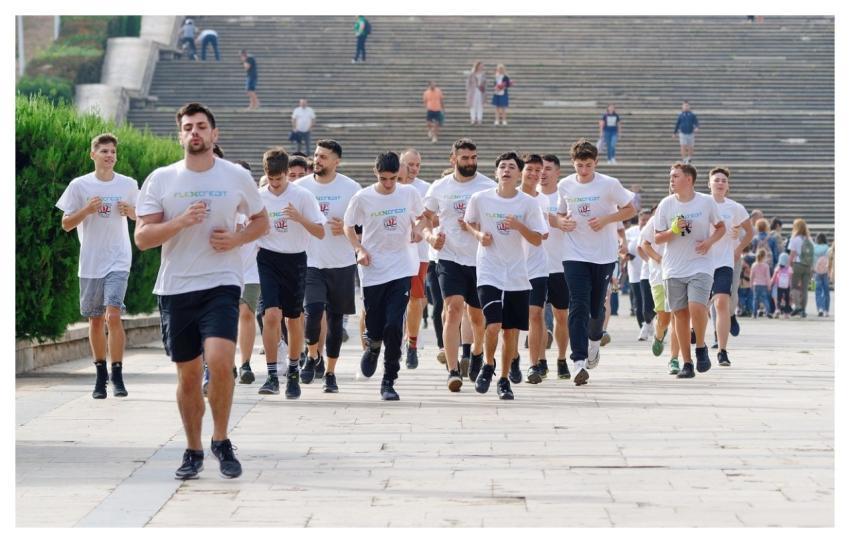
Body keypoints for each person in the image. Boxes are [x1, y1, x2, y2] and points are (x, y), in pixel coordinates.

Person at [135, 102, 269, 479]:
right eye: (188, 127)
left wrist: (238, 239)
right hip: (176, 288)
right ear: (180, 135)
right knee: (189, 376)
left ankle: (222, 439)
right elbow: (143, 238)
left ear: (214, 134)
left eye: (201, 127)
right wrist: (179, 222)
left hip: (221, 283)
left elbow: (262, 222)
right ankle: (193, 448)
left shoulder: (235, 176)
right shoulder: (161, 179)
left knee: (221, 361)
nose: (195, 133)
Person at [56, 133, 139, 400]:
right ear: (93, 154)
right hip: (91, 261)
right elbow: (67, 224)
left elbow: (145, 218)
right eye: (104, 151)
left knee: (113, 315)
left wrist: (132, 213)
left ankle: (117, 374)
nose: (110, 155)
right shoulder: (79, 185)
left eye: (113, 151)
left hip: (118, 259)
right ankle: (100, 376)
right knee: (94, 320)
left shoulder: (128, 184)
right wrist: (87, 211)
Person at [464, 152, 547, 400]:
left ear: (519, 173)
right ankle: (488, 365)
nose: (507, 170)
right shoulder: (480, 198)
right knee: (494, 324)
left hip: (517, 272)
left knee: (511, 331)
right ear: (496, 172)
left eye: (512, 166)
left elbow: (538, 238)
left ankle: (503, 378)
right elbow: (468, 222)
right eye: (502, 166)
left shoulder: (528, 203)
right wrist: (479, 236)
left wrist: (519, 226)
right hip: (489, 269)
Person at [344, 152, 425, 400]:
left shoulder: (408, 193)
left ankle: (389, 380)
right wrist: (359, 249)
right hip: (373, 268)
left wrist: (419, 229)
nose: (388, 184)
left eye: (392, 179)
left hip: (401, 266)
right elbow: (349, 226)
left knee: (394, 323)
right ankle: (373, 346)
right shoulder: (363, 197)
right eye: (383, 178)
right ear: (375, 173)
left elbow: (423, 216)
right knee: (376, 323)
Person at [556, 139, 636, 385]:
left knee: (596, 307)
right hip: (574, 253)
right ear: (573, 163)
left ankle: (594, 341)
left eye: (588, 165)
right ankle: (578, 361)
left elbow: (630, 209)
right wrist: (563, 222)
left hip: (603, 254)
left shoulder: (609, 184)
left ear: (596, 163)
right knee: (577, 304)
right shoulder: (565, 185)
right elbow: (560, 214)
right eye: (579, 165)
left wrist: (607, 219)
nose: (583, 170)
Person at [422, 138, 496, 391]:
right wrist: (431, 237)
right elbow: (423, 219)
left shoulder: (488, 186)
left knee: (478, 317)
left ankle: (476, 353)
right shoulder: (440, 187)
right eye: (465, 158)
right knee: (453, 309)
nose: (470, 163)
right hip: (450, 257)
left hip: (480, 259)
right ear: (453, 159)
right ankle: (453, 370)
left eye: (473, 158)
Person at [255, 148, 326, 398]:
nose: (275, 184)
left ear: (287, 174)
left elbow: (319, 231)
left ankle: (294, 371)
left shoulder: (302, 196)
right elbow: (247, 225)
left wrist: (298, 218)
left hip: (295, 259)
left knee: (293, 319)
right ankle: (272, 374)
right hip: (268, 258)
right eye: (271, 179)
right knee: (271, 315)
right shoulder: (259, 196)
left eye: (280, 179)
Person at [295, 140, 361, 393]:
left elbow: (362, 225)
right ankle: (312, 356)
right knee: (312, 312)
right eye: (316, 155)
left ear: (336, 161)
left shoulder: (351, 188)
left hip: (342, 262)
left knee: (335, 322)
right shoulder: (300, 187)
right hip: (310, 261)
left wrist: (347, 226)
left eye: (323, 156)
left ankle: (331, 372)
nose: (317, 160)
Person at [654, 163, 725, 379]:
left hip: (700, 264)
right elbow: (657, 237)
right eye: (670, 176)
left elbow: (721, 227)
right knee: (680, 315)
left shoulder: (706, 202)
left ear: (689, 179)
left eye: (675, 176)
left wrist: (709, 242)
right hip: (673, 267)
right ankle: (687, 362)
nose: (671, 180)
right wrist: (673, 230)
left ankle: (701, 346)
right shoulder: (666, 204)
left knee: (697, 307)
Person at [706, 167, 753, 367]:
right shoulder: (701, 203)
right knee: (700, 307)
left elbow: (749, 232)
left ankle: (722, 351)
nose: (720, 183)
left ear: (728, 186)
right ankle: (698, 341)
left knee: (723, 303)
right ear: (709, 183)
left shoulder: (735, 208)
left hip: (725, 260)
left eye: (724, 180)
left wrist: (739, 248)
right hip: (702, 261)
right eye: (716, 180)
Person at [519, 154, 551, 385]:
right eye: (529, 169)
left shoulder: (543, 201)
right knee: (509, 319)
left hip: (538, 264)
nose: (533, 174)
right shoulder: (510, 197)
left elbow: (544, 233)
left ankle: (534, 364)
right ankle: (511, 359)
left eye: (537, 170)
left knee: (535, 314)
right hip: (512, 265)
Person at [539, 154, 571, 379]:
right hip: (535, 266)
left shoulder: (566, 195)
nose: (542, 172)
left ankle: (561, 358)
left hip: (560, 265)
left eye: (548, 168)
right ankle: (540, 360)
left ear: (557, 172)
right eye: (540, 168)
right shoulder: (529, 195)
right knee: (536, 315)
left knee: (561, 316)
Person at [399, 149, 431, 369]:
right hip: (391, 253)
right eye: (410, 164)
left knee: (415, 300)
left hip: (418, 254)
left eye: (417, 165)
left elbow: (431, 218)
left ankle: (411, 344)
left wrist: (420, 228)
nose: (414, 168)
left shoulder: (425, 189)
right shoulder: (389, 187)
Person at [788, 218, 814, 318]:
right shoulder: (809, 239)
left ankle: (797, 306)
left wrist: (789, 265)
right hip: (808, 265)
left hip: (798, 264)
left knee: (793, 286)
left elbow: (792, 254)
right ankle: (803, 310)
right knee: (804, 289)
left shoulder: (795, 238)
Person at [770, 252, 793, 318]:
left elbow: (774, 278)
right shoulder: (789, 268)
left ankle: (777, 309)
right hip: (787, 286)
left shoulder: (777, 268)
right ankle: (786, 313)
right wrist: (790, 286)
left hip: (778, 286)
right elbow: (790, 278)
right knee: (787, 299)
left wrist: (771, 283)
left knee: (778, 298)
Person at [813, 233, 830, 316]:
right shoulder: (827, 248)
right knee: (826, 290)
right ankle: (826, 310)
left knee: (818, 290)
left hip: (817, 271)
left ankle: (820, 308)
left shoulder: (814, 248)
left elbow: (812, 260)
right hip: (826, 271)